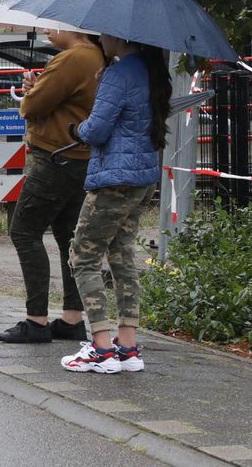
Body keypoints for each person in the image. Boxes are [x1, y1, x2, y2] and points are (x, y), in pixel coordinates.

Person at [60, 36, 171, 373]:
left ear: (120, 37)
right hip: (142, 178)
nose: (99, 40)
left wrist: (76, 129)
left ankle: (101, 347)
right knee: (122, 257)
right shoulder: (152, 70)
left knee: (83, 257)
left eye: (102, 35)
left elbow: (97, 130)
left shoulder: (119, 74)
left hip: (113, 180)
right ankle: (128, 345)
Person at [0, 29, 104, 344]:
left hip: (55, 159)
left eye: (53, 23)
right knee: (68, 237)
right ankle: (72, 319)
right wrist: (38, 87)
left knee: (24, 231)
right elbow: (63, 101)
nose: (46, 29)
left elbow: (31, 108)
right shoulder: (97, 57)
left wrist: (32, 93)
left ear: (73, 26)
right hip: (81, 158)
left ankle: (36, 321)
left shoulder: (71, 59)